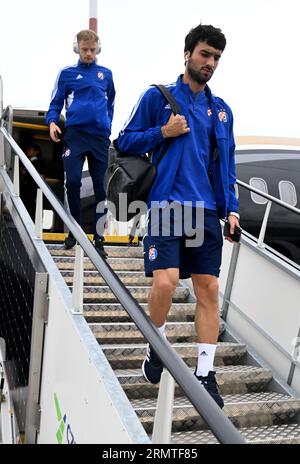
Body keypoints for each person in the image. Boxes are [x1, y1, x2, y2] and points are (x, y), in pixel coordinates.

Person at [116, 24, 240, 408]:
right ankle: (158, 344)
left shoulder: (221, 112)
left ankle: (205, 373)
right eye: (205, 54)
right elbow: (123, 141)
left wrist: (231, 207)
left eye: (216, 57)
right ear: (187, 54)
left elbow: (227, 163)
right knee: (166, 283)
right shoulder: (159, 97)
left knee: (209, 289)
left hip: (205, 210)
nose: (210, 63)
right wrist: (162, 132)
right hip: (167, 203)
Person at [46, 29, 115, 258]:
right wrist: (52, 122)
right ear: (77, 48)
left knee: (100, 188)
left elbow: (111, 104)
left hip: (99, 138)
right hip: (75, 135)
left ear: (98, 49)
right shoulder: (66, 73)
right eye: (84, 50)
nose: (88, 54)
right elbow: (55, 103)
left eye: (92, 50)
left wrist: (107, 127)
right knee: (73, 182)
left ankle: (99, 238)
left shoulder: (106, 74)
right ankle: (74, 231)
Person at [21, 143, 44, 220]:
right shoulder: (28, 162)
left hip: (32, 189)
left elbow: (38, 177)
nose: (27, 150)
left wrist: (24, 173)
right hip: (27, 189)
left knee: (30, 206)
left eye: (30, 149)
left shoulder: (37, 163)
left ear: (36, 152)